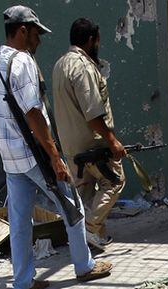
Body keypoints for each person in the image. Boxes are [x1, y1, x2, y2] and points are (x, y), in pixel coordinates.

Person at [0, 5, 112, 289]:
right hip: (35, 156)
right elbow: (34, 115)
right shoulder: (23, 62)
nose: (39, 40)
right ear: (23, 31)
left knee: (19, 221)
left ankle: (23, 282)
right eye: (36, 34)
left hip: (11, 158)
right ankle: (84, 265)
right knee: (73, 207)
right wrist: (54, 158)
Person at [52, 17, 126, 249]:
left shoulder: (60, 65)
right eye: (97, 41)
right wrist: (112, 140)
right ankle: (91, 229)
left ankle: (92, 238)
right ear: (92, 40)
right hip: (92, 144)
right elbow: (92, 113)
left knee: (84, 191)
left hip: (70, 144)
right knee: (115, 182)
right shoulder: (83, 67)